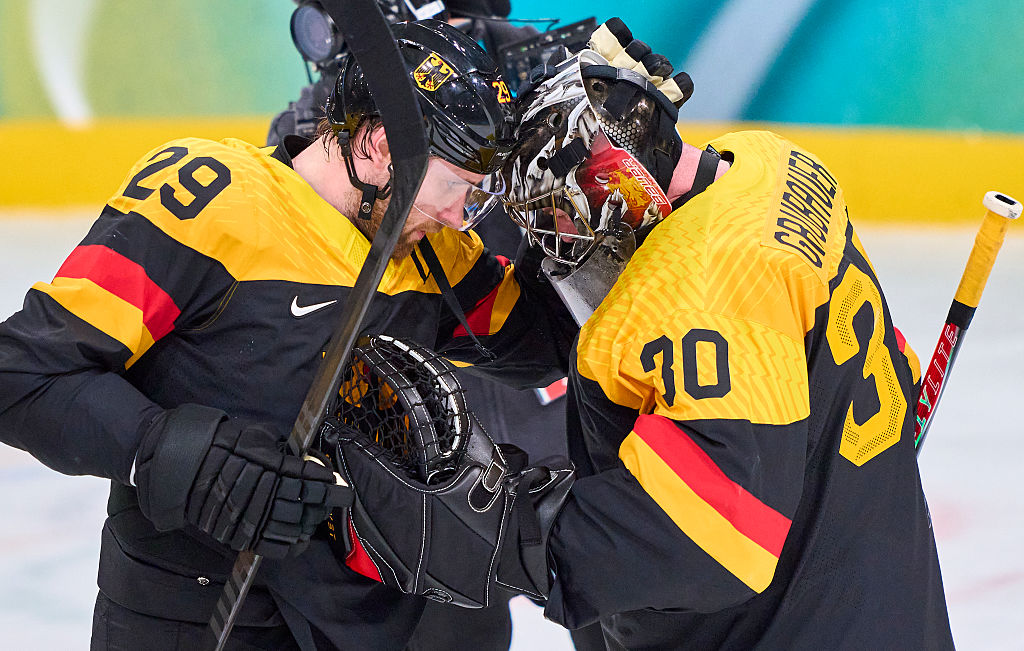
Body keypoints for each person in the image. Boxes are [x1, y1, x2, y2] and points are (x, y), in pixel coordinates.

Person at [338, 17, 956, 650]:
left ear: (615, 180)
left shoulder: (699, 285)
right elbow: (563, 321)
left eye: (555, 213)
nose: (552, 243)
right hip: (880, 598)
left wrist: (510, 533)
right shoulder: (767, 165)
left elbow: (715, 534)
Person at [0, 19, 575, 650]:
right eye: (454, 186)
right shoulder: (211, 199)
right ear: (379, 145)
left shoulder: (433, 251)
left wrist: (584, 213)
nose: (459, 215)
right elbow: (23, 372)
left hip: (357, 623)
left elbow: (546, 345)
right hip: (191, 614)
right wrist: (176, 454)